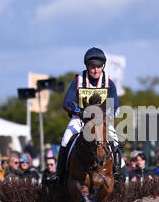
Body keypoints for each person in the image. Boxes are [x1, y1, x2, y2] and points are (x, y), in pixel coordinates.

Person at [52, 47, 122, 183]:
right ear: (87, 66)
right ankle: (59, 174)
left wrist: (107, 117)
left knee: (115, 140)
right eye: (92, 67)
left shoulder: (109, 83)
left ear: (103, 66)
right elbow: (67, 102)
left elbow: (115, 105)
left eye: (99, 67)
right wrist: (78, 111)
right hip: (80, 119)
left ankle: (118, 173)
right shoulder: (78, 80)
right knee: (66, 139)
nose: (96, 70)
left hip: (101, 121)